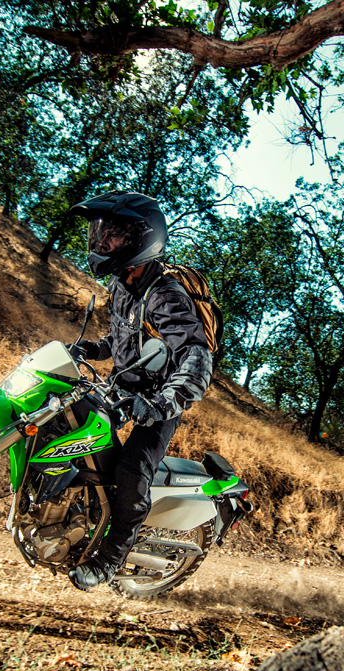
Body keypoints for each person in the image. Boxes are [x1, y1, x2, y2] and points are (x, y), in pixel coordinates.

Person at [65, 191, 213, 591]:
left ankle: (108, 561)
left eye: (112, 235)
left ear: (141, 240)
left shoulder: (165, 295)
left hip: (157, 404)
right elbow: (123, 341)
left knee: (132, 472)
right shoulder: (123, 285)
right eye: (101, 233)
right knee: (71, 433)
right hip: (120, 391)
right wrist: (90, 350)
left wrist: (159, 404)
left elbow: (196, 359)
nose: (102, 241)